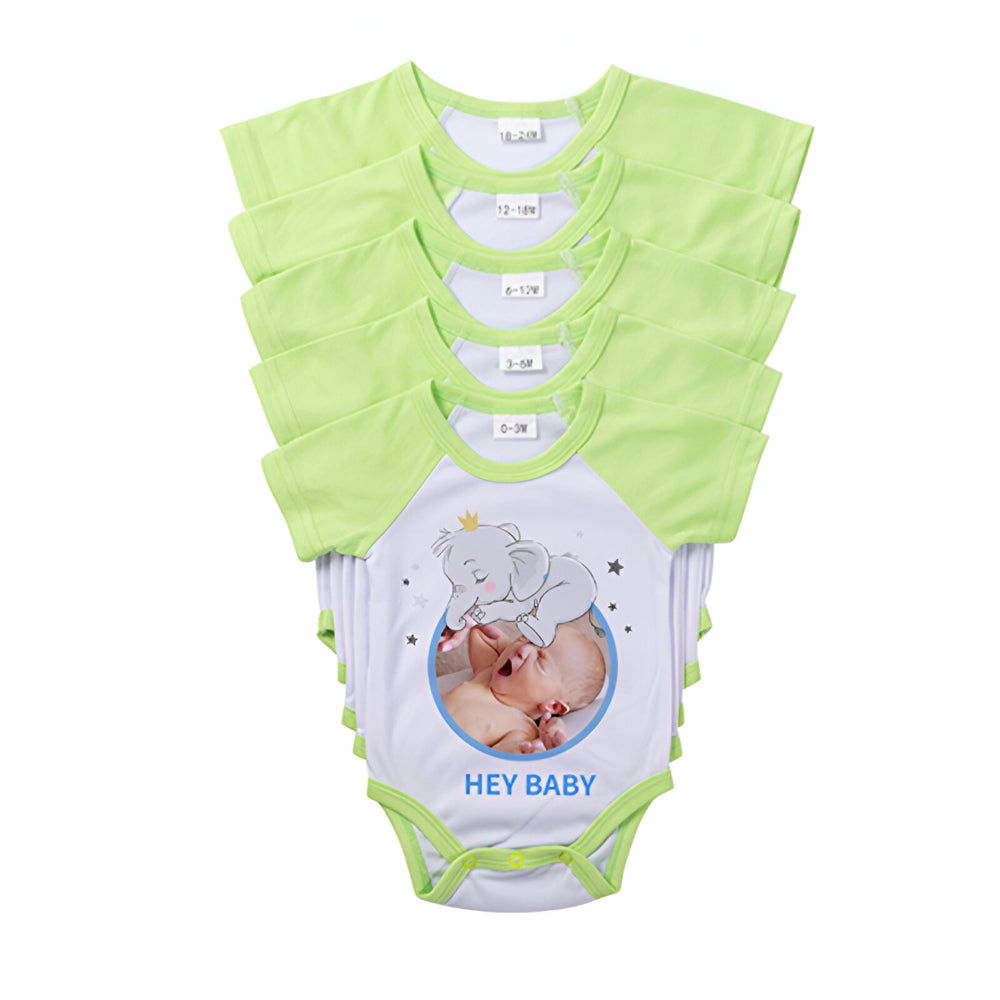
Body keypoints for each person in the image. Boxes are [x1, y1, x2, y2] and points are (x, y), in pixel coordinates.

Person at [439, 620, 605, 754]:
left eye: (540, 659)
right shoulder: (487, 673)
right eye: (528, 639)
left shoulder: (521, 728)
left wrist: (526, 750)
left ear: (554, 705)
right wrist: (507, 650)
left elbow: (509, 750)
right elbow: (483, 633)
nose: (523, 649)